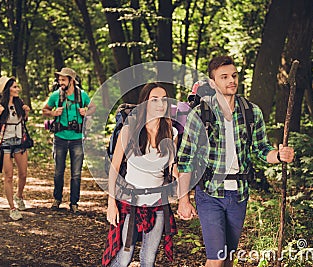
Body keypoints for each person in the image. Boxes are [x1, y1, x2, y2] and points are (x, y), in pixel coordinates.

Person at [177, 55, 295, 267]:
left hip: (239, 194)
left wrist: (279, 156)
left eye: (234, 75)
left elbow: (262, 149)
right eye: (224, 77)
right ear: (212, 83)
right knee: (216, 258)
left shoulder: (251, 112)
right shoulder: (200, 115)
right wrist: (183, 200)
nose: (231, 80)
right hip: (209, 193)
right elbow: (185, 160)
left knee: (229, 257)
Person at [102, 82, 178, 267]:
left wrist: (180, 189)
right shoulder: (130, 130)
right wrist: (111, 203)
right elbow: (114, 168)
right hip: (130, 201)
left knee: (149, 258)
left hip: (157, 203)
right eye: (154, 100)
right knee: (124, 257)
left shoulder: (172, 132)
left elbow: (172, 168)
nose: (160, 104)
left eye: (163, 100)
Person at [42, 67, 95, 214]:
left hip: (77, 139)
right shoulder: (56, 95)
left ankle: (74, 203)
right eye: (59, 79)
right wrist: (53, 112)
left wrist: (86, 111)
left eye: (63, 79)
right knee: (59, 171)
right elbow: (44, 110)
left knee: (76, 174)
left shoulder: (82, 95)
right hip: (60, 138)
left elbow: (93, 108)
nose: (60, 82)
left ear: (71, 80)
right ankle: (57, 199)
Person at [0, 76, 31, 221]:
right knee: (8, 177)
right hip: (5, 142)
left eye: (17, 86)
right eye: (14, 87)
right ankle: (12, 208)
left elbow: (23, 121)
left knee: (23, 174)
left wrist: (26, 113)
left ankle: (19, 196)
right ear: (7, 90)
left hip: (20, 141)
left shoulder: (20, 103)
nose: (17, 89)